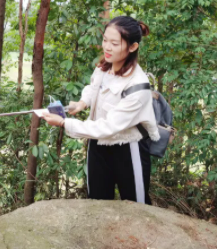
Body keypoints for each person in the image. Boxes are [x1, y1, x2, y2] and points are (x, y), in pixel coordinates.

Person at [41, 16, 159, 204]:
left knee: (137, 205)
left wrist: (64, 123)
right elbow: (93, 87)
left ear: (132, 47)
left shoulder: (138, 86)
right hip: (98, 144)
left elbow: (109, 127)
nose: (107, 47)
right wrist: (82, 103)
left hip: (128, 148)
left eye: (114, 43)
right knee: (96, 202)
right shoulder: (104, 68)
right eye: (105, 40)